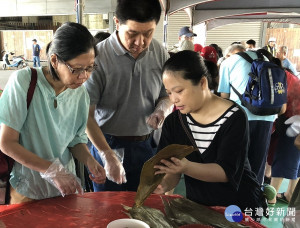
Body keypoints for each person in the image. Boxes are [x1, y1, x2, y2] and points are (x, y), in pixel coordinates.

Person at [0, 22, 106, 204]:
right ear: (55, 60)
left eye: (89, 68)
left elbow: (75, 141)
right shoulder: (25, 81)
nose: (84, 77)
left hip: (65, 188)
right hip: (28, 190)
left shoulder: (80, 93)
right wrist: (51, 170)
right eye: (77, 69)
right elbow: (7, 143)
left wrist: (90, 161)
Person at [154, 50, 266, 217]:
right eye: (169, 93)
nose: (174, 99)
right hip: (199, 207)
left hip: (237, 206)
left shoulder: (234, 116)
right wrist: (163, 184)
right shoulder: (174, 122)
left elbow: (226, 172)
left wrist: (187, 167)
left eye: (179, 91)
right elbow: (172, 170)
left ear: (202, 83)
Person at [84, 0, 170, 192]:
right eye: (132, 33)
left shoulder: (159, 52)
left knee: (143, 208)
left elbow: (167, 95)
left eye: (148, 33)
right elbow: (86, 116)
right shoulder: (98, 57)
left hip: (146, 145)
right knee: (107, 209)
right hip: (108, 144)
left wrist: (161, 109)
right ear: (117, 22)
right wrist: (106, 154)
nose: (140, 42)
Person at [218, 48, 281, 185]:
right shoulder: (265, 59)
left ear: (231, 53)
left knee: (238, 162)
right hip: (267, 116)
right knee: (258, 163)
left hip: (241, 117)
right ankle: (255, 197)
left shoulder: (228, 62)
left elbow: (224, 97)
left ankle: (235, 199)